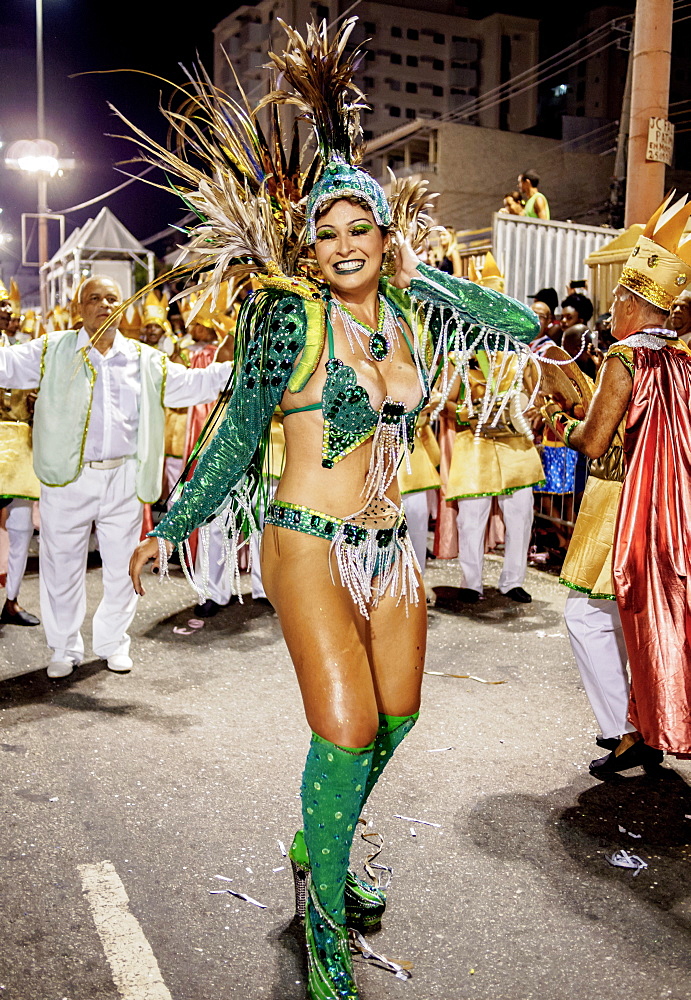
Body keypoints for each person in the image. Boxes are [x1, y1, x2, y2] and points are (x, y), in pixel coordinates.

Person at [125, 19, 539, 1000]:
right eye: (330, 233)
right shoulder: (285, 317)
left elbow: (517, 321)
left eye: (362, 228)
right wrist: (174, 524)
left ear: (382, 239)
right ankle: (320, 929)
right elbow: (235, 436)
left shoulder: (405, 311)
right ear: (305, 249)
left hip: (390, 550)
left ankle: (325, 832)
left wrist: (410, 272)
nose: (346, 244)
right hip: (305, 542)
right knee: (346, 724)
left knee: (396, 716)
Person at [0, 275, 233, 678]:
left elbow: (194, 384)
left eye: (112, 299)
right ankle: (64, 648)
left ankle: (113, 642)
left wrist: (242, 366)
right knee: (60, 567)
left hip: (124, 478)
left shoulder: (146, 359)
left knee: (123, 566)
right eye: (94, 298)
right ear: (79, 307)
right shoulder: (50, 351)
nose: (104, 305)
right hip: (66, 480)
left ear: (123, 308)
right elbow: (4, 367)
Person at [542, 192, 691, 773]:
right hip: (670, 506)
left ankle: (627, 730)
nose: (614, 310)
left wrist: (559, 418)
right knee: (642, 616)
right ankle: (649, 720)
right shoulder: (680, 359)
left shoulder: (625, 357)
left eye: (619, 299)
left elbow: (594, 440)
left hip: (623, 504)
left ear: (632, 300)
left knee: (588, 615)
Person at [443, 254, 543, 605]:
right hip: (477, 443)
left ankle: (512, 580)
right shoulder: (460, 354)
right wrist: (467, 415)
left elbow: (537, 396)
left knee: (521, 513)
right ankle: (472, 582)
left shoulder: (520, 353)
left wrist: (534, 413)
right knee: (472, 517)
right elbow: (446, 401)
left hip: (516, 446)